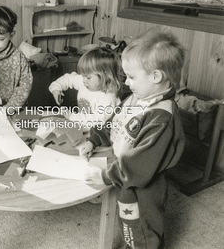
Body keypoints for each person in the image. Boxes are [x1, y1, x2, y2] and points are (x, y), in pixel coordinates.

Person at [79, 29, 186, 248]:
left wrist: (106, 177)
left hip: (143, 187)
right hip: (126, 179)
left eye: (131, 76)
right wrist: (95, 139)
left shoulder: (162, 117)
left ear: (156, 77)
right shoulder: (138, 97)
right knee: (128, 223)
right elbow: (115, 121)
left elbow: (140, 163)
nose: (126, 82)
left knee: (143, 228)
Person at [49, 47, 121, 129]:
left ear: (105, 76)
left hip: (97, 133)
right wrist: (56, 88)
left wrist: (72, 117)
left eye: (88, 77)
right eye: (83, 75)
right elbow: (69, 79)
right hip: (82, 126)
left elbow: (96, 123)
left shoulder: (108, 99)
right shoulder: (86, 82)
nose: (83, 80)